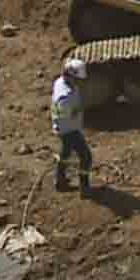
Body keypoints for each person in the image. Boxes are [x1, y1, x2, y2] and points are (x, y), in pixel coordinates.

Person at [52, 59, 93, 194]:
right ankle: (84, 186)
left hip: (61, 127)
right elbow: (65, 113)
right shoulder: (65, 97)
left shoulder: (59, 82)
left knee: (66, 151)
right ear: (70, 76)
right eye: (77, 79)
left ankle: (59, 180)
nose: (79, 82)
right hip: (69, 129)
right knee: (86, 156)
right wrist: (79, 108)